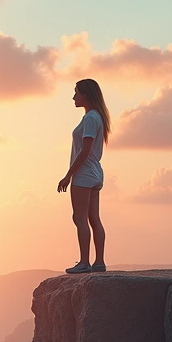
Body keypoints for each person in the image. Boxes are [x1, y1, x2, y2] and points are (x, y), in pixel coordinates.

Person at [56, 78, 110, 274]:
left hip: (84, 173)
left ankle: (85, 262)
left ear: (86, 94)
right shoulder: (97, 117)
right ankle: (99, 262)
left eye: (76, 92)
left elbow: (85, 150)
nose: (73, 97)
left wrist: (68, 175)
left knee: (79, 217)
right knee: (94, 218)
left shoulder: (90, 119)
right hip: (95, 172)